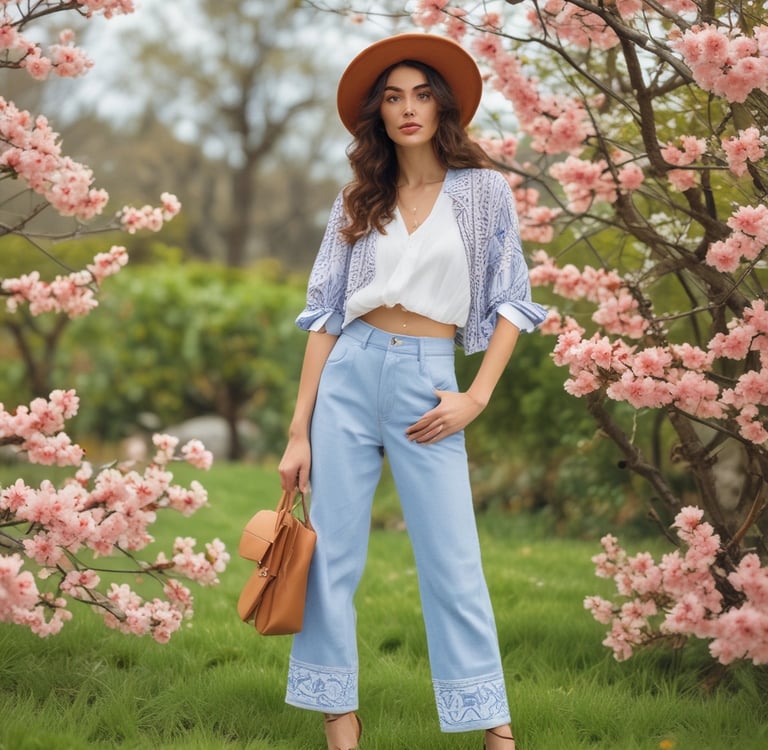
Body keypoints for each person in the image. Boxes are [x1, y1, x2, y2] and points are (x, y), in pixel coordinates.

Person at [278, 32, 546, 750]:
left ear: (442, 105)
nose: (407, 109)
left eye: (421, 94)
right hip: (348, 376)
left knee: (453, 559)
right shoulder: (359, 197)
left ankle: (496, 730)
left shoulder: (483, 191)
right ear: (378, 113)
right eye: (392, 97)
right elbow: (326, 314)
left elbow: (515, 300)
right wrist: (298, 431)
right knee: (332, 555)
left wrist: (476, 396)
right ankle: (340, 719)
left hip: (431, 383)